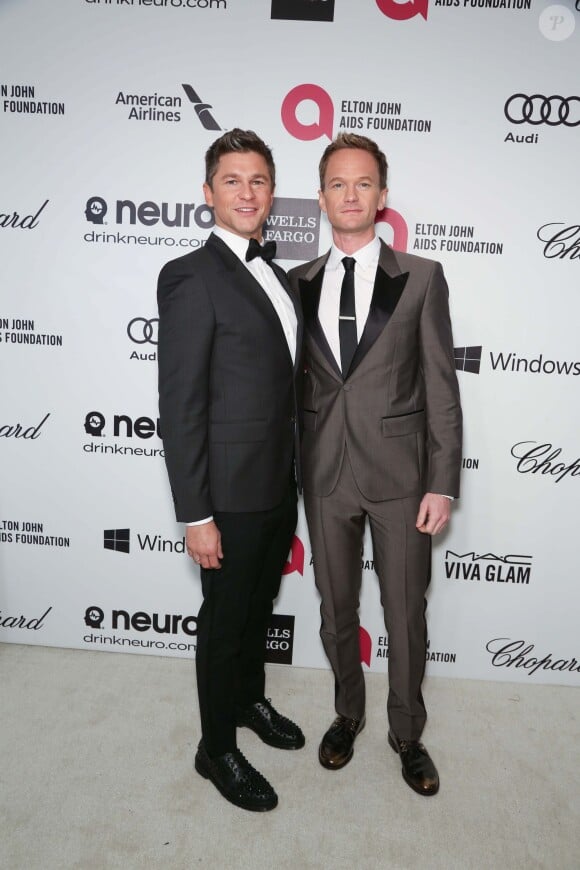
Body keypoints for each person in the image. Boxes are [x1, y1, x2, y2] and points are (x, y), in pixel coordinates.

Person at [288, 133, 462, 796]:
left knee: (404, 613)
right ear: (323, 195)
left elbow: (442, 386)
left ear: (382, 196)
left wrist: (442, 483)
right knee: (335, 607)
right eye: (338, 183)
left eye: (364, 183)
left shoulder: (420, 276)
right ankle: (347, 714)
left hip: (401, 478)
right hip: (324, 474)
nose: (351, 194)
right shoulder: (297, 282)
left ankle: (407, 732)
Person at [157, 129, 304, 813]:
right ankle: (215, 748)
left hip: (279, 484)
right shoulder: (190, 275)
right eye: (233, 180)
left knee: (256, 610)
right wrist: (195, 513)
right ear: (208, 192)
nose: (247, 193)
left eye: (259, 181)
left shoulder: (276, 274)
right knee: (223, 621)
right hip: (227, 494)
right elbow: (180, 403)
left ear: (272, 193)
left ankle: (248, 702)